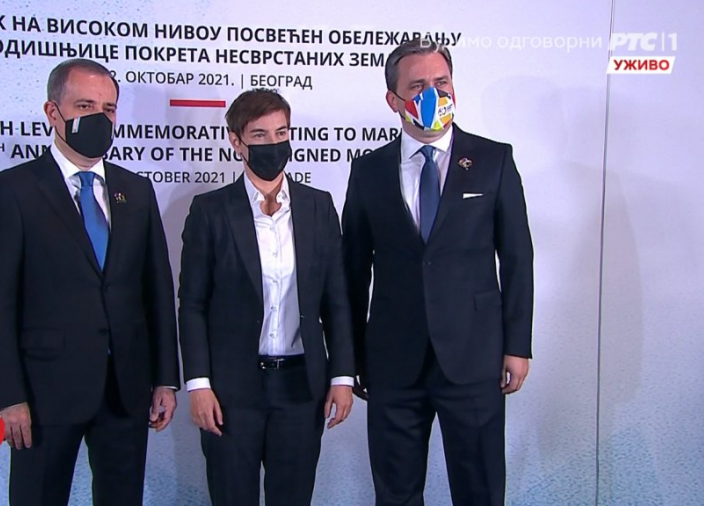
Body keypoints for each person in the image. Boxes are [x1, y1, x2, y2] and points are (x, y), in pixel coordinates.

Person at [0, 58, 179, 506]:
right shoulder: (12, 190)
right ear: (53, 112)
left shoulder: (136, 191)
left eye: (108, 108)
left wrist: (165, 378)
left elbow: (157, 292)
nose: (99, 118)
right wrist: (7, 395)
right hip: (43, 394)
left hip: (125, 388)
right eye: (85, 106)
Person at [342, 39, 534, 506]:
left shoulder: (493, 160)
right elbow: (352, 272)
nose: (433, 94)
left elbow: (517, 258)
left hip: (474, 358)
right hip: (391, 363)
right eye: (418, 86)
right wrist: (349, 359)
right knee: (396, 494)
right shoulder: (368, 171)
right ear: (393, 99)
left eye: (441, 82)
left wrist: (517, 345)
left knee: (480, 491)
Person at [178, 88, 354, 506]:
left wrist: (342, 376)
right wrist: (198, 384)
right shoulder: (210, 211)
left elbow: (337, 300)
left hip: (301, 387)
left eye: (281, 133)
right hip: (231, 389)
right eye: (259, 135)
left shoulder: (318, 207)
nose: (273, 144)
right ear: (236, 141)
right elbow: (193, 305)